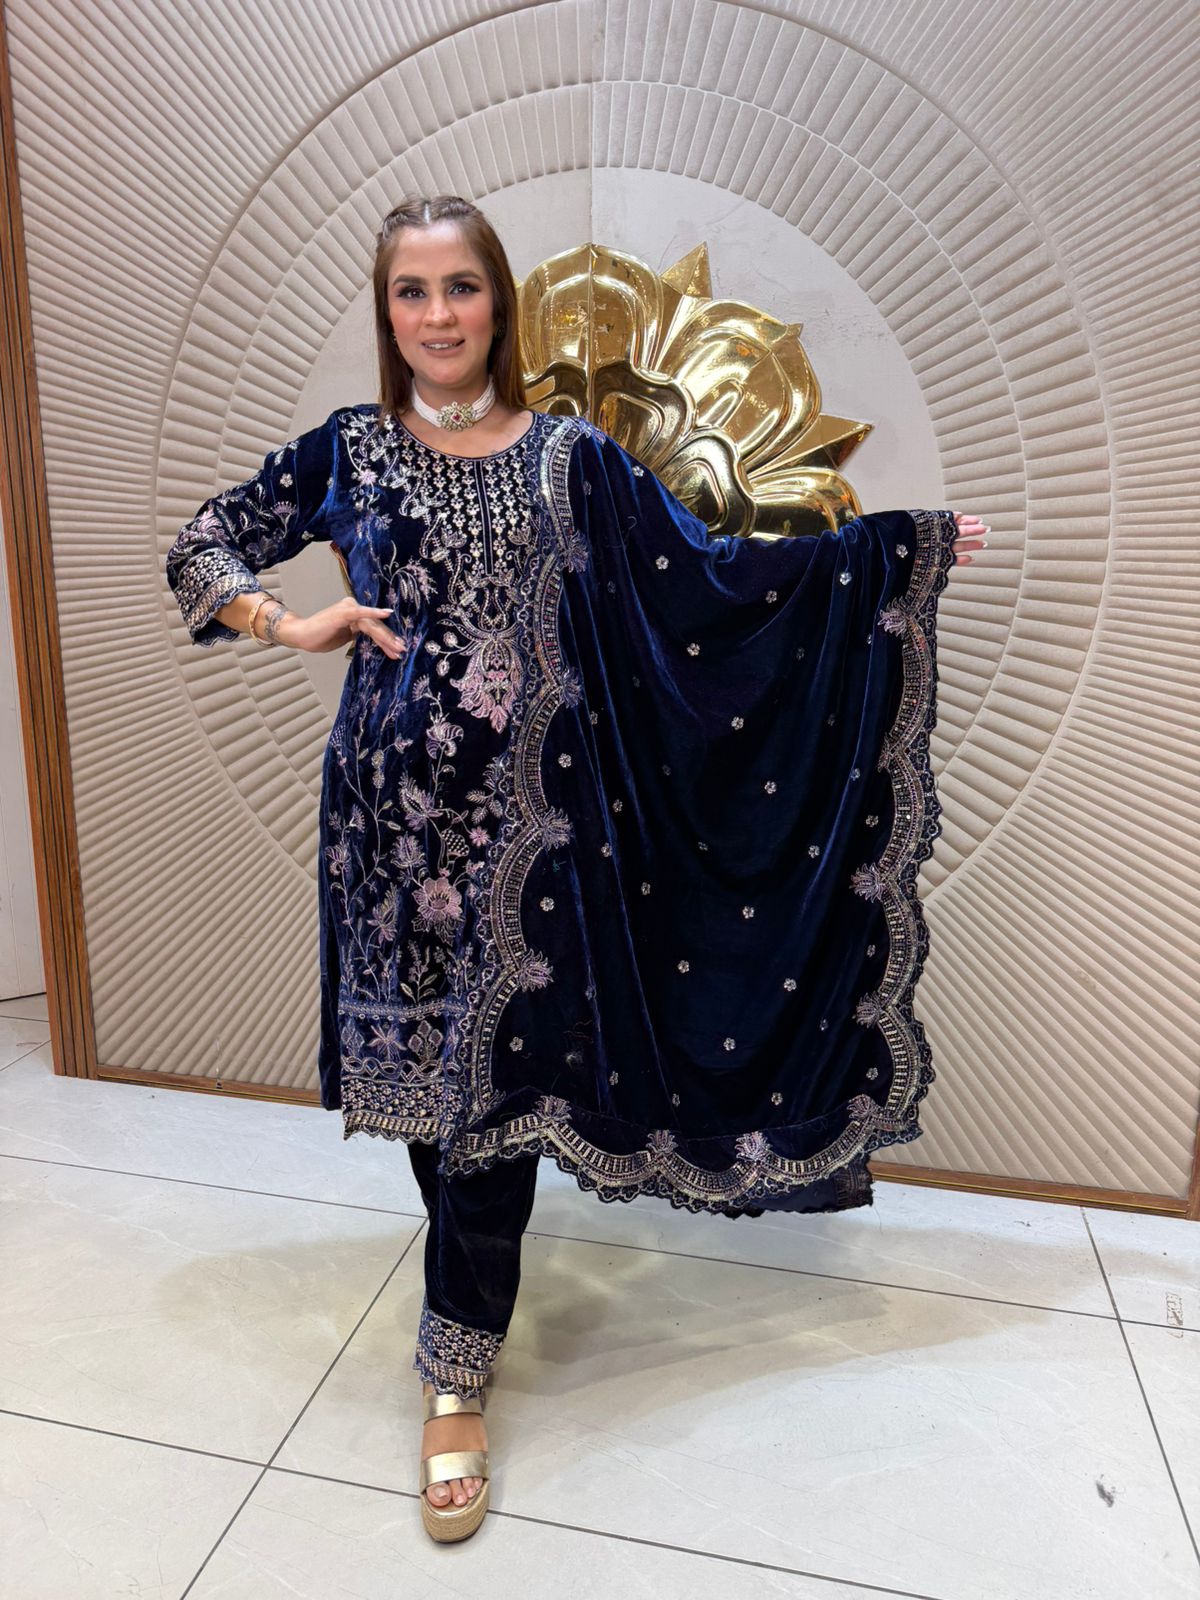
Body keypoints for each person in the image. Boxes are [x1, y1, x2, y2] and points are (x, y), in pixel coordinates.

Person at [165, 194, 988, 1543]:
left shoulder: (570, 460)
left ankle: (454, 1375)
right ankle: (465, 1290)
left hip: (536, 839)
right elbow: (200, 541)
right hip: (384, 833)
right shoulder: (349, 452)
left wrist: (887, 555)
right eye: (412, 291)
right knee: (429, 1095)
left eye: (460, 287)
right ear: (387, 313)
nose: (438, 315)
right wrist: (285, 621)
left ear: (499, 301)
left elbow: (715, 579)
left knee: (498, 1095)